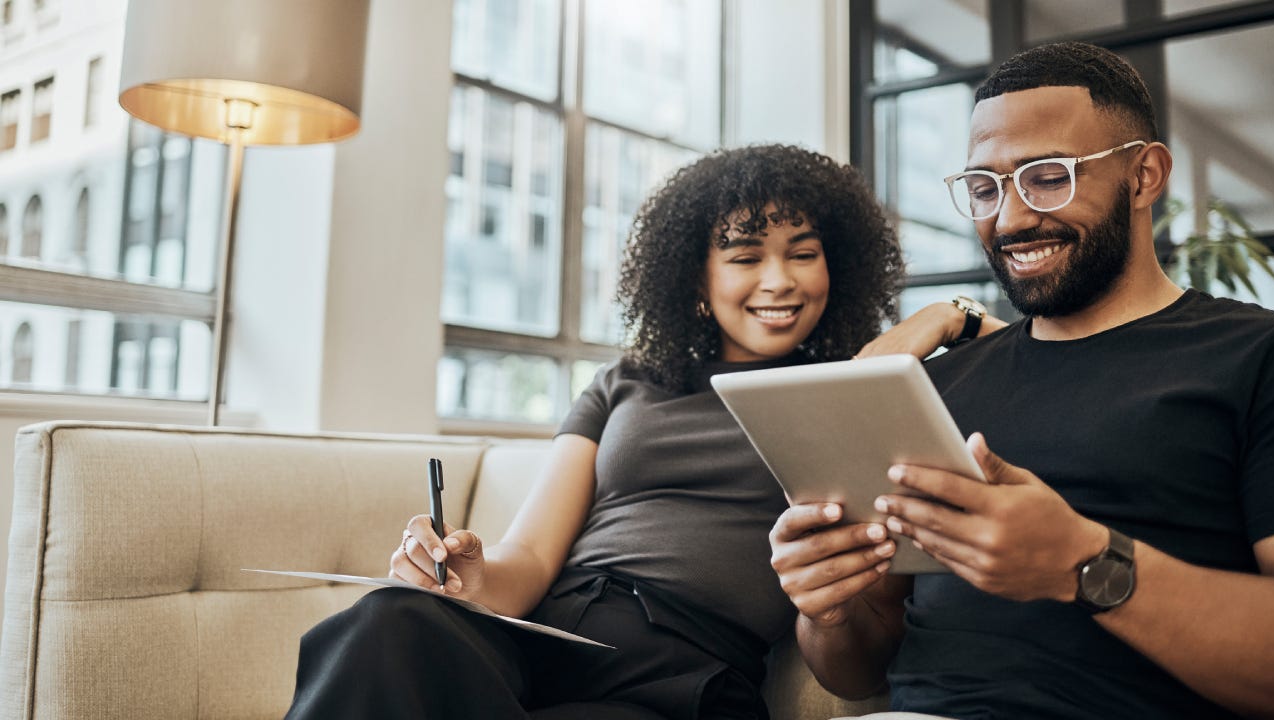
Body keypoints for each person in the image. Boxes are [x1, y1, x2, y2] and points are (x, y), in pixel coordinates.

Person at [284, 144, 985, 720]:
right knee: (386, 621)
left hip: (678, 677)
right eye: (745, 258)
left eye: (803, 253)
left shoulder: (860, 389)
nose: (780, 281)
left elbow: (1044, 363)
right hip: (541, 638)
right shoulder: (627, 380)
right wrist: (471, 577)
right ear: (695, 278)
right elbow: (528, 557)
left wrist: (959, 315)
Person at [769, 41, 1274, 720]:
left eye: (1048, 176)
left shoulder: (1256, 357)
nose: (1009, 219)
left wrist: (1084, 563)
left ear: (1145, 175)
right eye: (984, 187)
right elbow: (860, 673)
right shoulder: (939, 389)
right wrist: (829, 611)